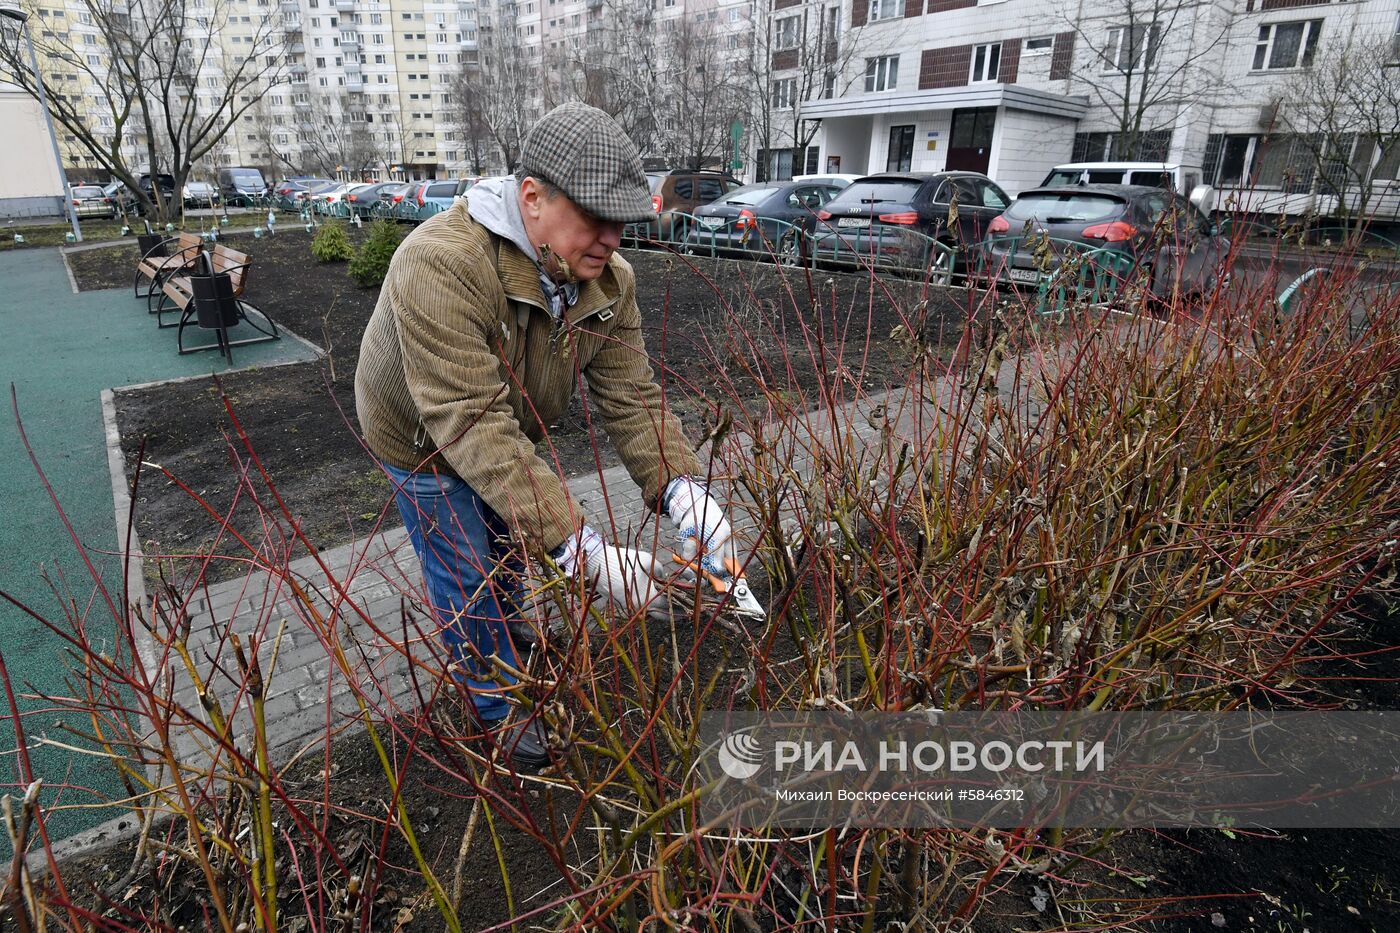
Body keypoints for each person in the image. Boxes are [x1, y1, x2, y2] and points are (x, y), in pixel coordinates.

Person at [354, 102, 740, 771]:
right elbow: (471, 423)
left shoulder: (607, 281)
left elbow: (632, 396)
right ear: (532, 198)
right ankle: (498, 706)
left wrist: (686, 492)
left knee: (507, 542)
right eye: (596, 217)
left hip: (501, 424)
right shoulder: (441, 265)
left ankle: (510, 631)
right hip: (420, 439)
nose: (613, 238)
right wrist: (586, 550)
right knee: (466, 573)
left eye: (623, 220)